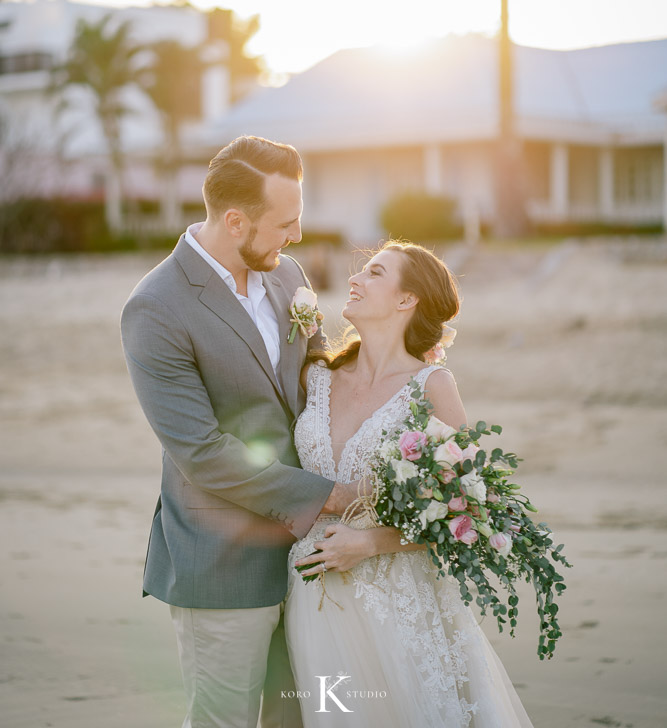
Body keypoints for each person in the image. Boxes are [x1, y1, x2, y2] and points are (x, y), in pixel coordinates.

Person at [120, 136, 357, 728]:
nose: (296, 236)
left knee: (296, 721)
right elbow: (202, 453)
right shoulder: (156, 308)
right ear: (234, 220)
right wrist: (324, 495)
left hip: (310, 560)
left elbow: (318, 375)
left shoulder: (286, 275)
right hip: (223, 564)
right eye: (286, 223)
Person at [284, 241, 535, 727]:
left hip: (396, 598)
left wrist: (371, 542)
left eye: (374, 273)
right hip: (312, 591)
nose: (354, 279)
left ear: (407, 300)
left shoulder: (431, 386)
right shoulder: (315, 376)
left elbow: (473, 512)